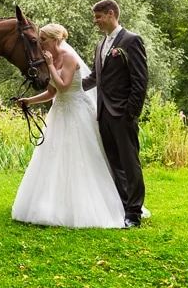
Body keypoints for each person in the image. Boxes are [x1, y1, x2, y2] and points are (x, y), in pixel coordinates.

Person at [11, 23, 125, 228]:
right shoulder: (50, 58)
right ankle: (50, 206)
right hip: (59, 113)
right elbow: (52, 93)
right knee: (53, 158)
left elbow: (63, 86)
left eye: (44, 39)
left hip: (77, 112)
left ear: (55, 40)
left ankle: (85, 206)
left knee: (79, 158)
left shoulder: (69, 57)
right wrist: (29, 101)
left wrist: (51, 65)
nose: (41, 42)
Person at [81, 0, 149, 228]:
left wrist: (131, 112)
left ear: (111, 14)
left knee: (130, 163)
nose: (95, 21)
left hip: (123, 114)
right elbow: (95, 79)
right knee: (114, 163)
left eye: (98, 17)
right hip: (103, 114)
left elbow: (140, 81)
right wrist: (67, 88)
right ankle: (123, 204)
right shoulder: (100, 46)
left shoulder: (131, 41)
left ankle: (134, 214)